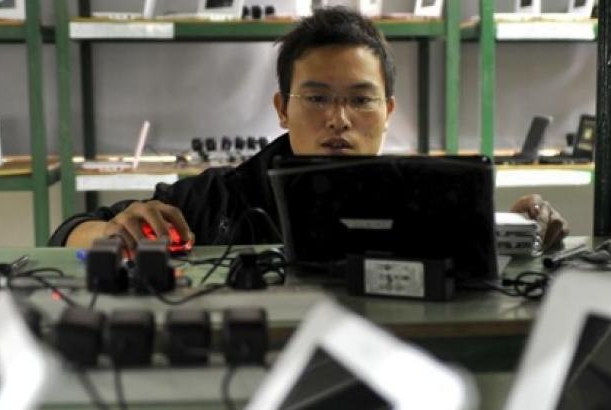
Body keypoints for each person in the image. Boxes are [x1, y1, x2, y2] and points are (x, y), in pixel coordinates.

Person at [49, 7, 569, 251]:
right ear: (282, 107)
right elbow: (66, 235)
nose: (338, 119)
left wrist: (515, 234)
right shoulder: (222, 199)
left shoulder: (430, 199)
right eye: (317, 98)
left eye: (360, 100)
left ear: (388, 111)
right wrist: (113, 231)